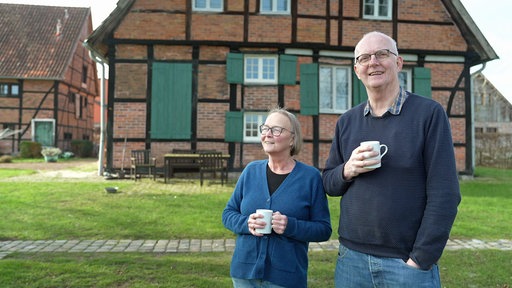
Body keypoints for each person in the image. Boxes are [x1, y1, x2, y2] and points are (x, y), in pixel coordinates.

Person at [322, 31, 461, 287]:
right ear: (357, 70)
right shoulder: (347, 122)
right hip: (352, 260)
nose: (373, 62)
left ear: (398, 63)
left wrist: (420, 259)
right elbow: (329, 183)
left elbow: (446, 193)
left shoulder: (428, 114)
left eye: (382, 54)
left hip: (406, 264)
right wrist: (348, 169)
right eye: (364, 58)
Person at [222, 107, 332, 288]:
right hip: (244, 274)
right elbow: (228, 214)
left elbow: (323, 230)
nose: (268, 134)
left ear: (292, 139)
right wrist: (246, 223)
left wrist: (290, 225)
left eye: (276, 130)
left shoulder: (310, 178)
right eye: (265, 129)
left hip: (286, 278)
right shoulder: (250, 171)